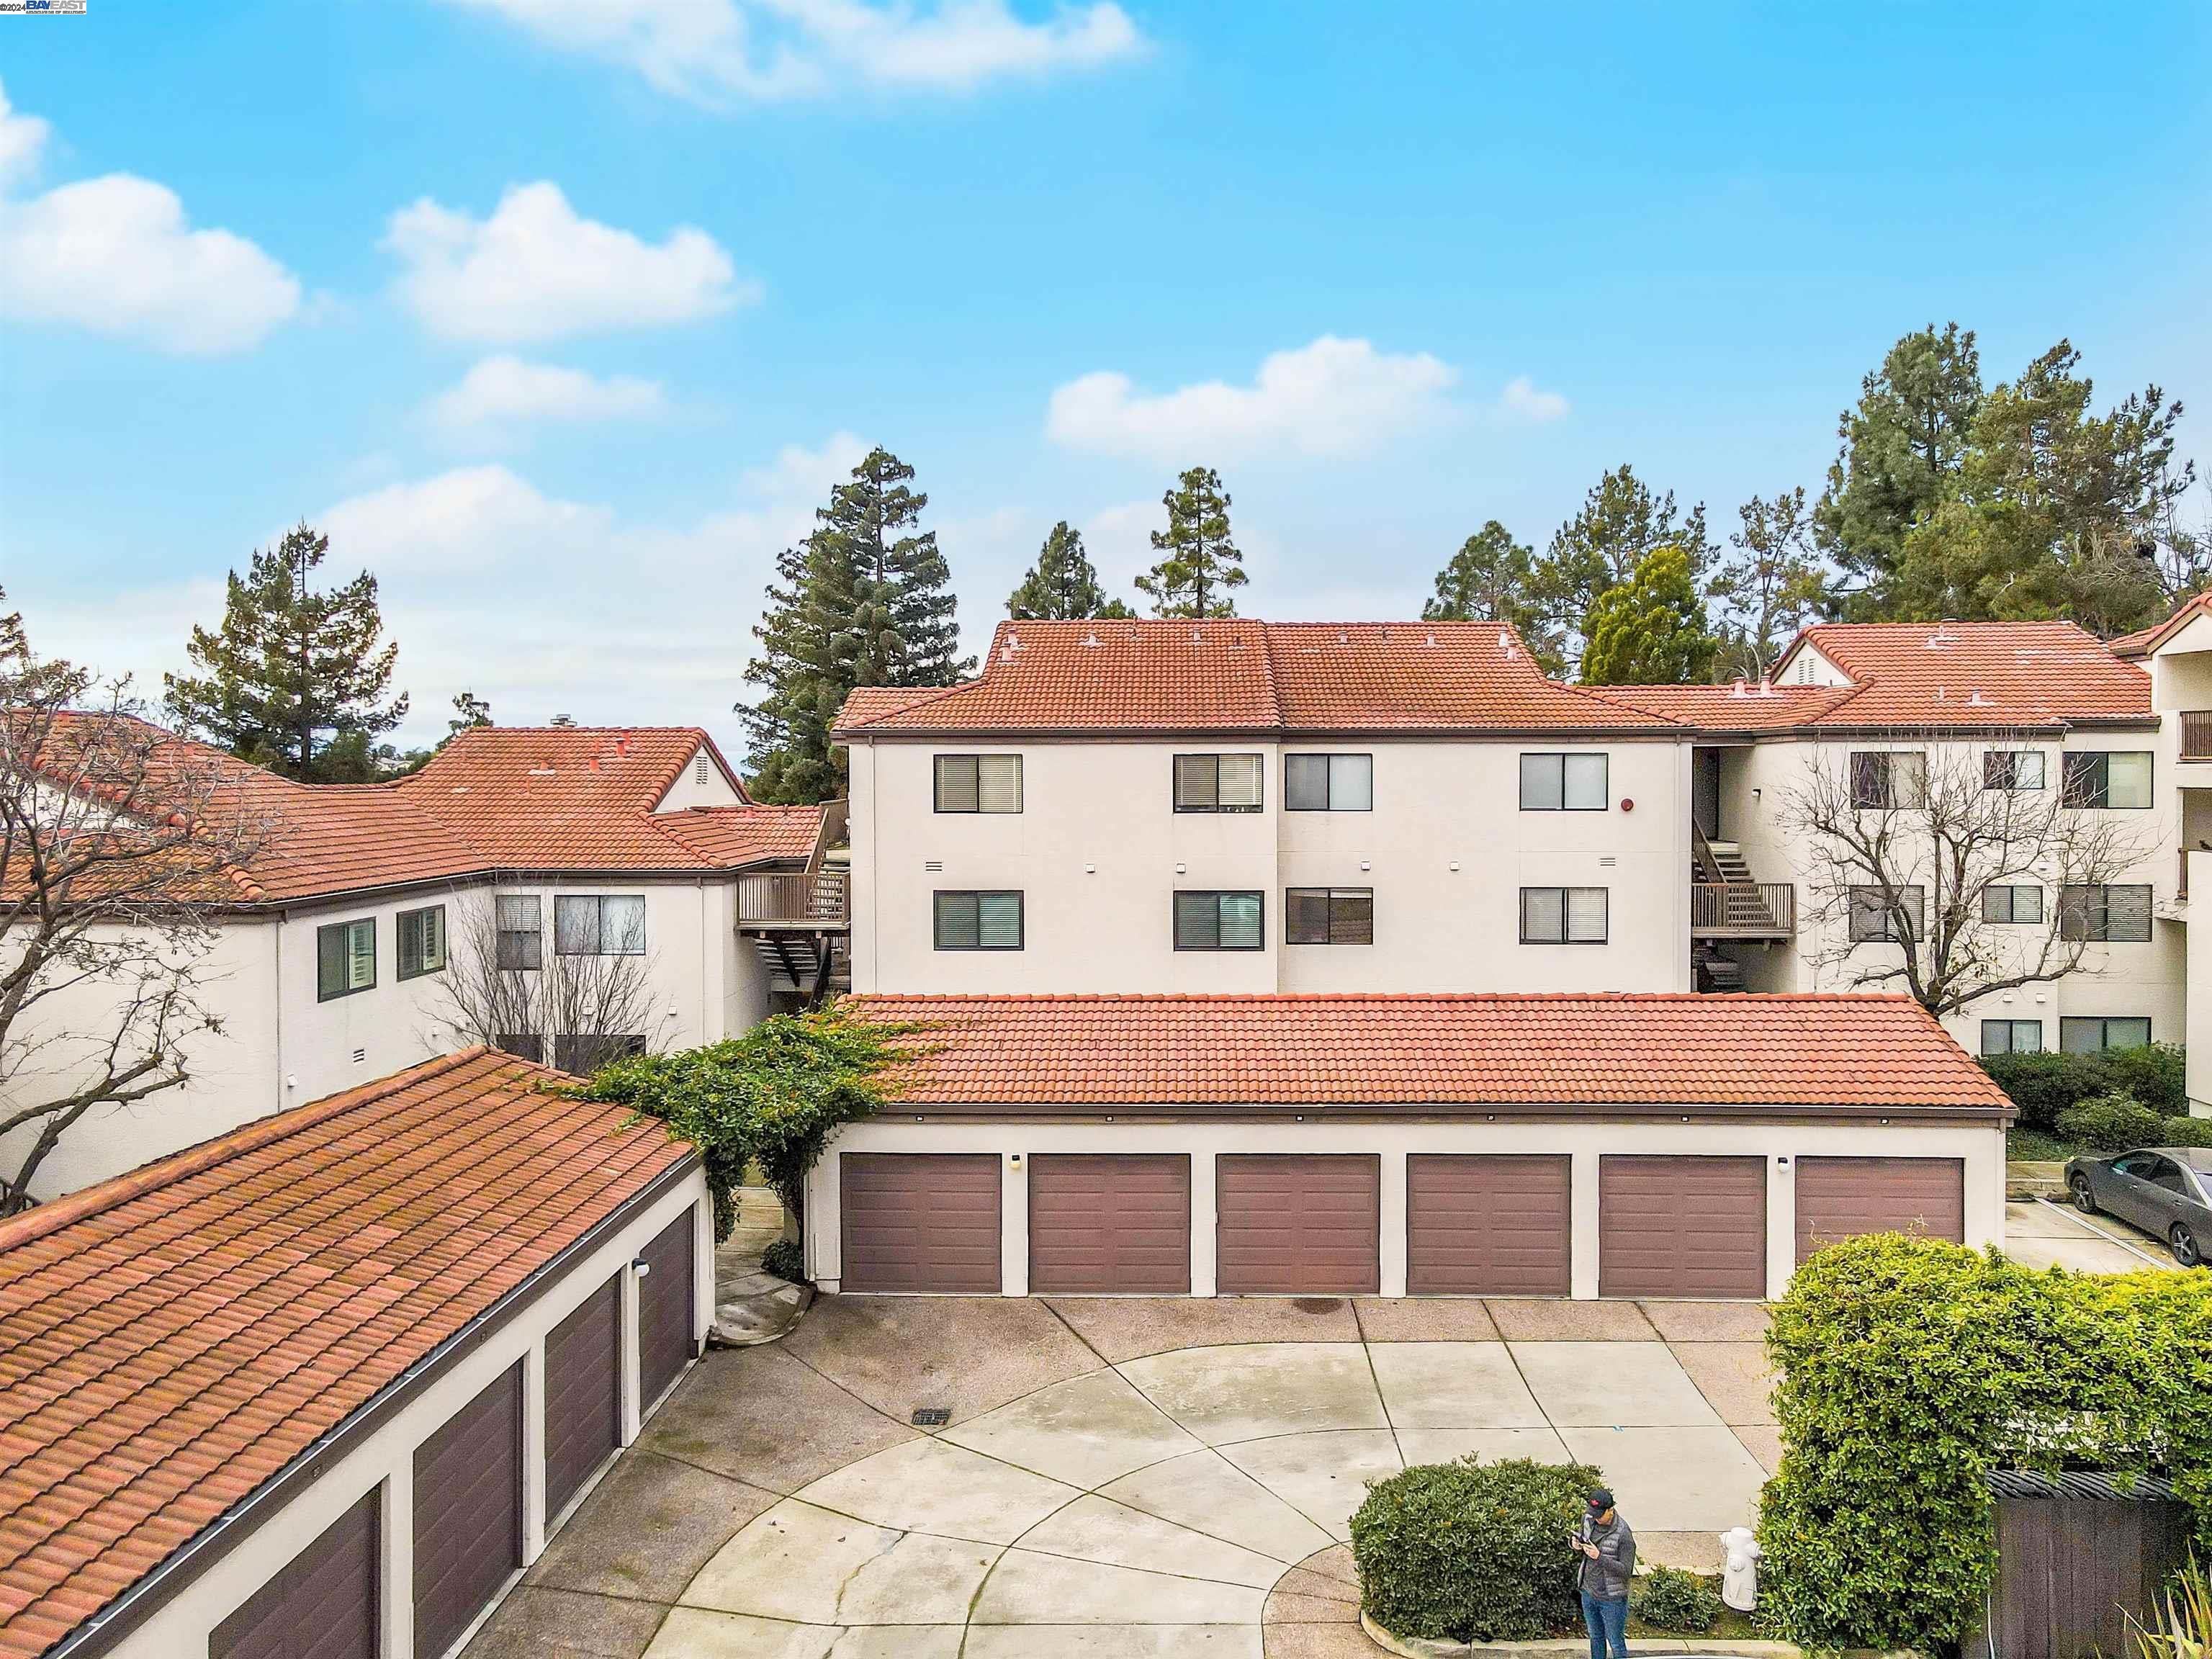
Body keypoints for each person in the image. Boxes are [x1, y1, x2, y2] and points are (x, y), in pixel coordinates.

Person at [1571, 1486, 1635, 1658]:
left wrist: (1599, 1557)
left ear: (1611, 1510)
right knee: (1595, 1637)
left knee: (1615, 1642)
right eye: (1594, 1513)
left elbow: (1626, 1571)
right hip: (1588, 1592)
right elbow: (1583, 1541)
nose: (1596, 1518)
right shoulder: (1588, 1519)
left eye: (1600, 1514)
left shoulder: (1624, 1534)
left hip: (1612, 1599)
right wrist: (1576, 1545)